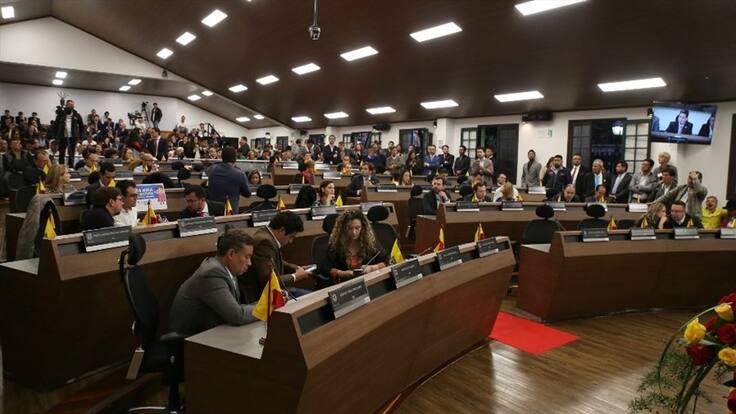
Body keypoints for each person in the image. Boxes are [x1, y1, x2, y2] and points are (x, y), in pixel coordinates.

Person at [169, 229, 259, 336]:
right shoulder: (212, 273)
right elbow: (237, 315)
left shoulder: (227, 269)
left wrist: (266, 304)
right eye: (247, 257)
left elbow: (236, 308)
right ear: (231, 254)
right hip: (192, 338)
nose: (249, 263)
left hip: (212, 332)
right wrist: (265, 309)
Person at [238, 211, 311, 304]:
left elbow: (273, 260)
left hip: (275, 292)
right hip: (261, 297)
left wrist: (296, 268)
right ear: (282, 230)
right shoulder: (265, 242)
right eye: (291, 237)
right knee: (311, 300)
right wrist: (295, 276)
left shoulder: (265, 233)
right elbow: (268, 280)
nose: (291, 241)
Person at [319, 209, 388, 285]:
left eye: (357, 228)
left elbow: (387, 261)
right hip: (344, 285)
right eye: (349, 228)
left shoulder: (370, 242)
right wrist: (342, 273)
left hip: (368, 283)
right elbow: (324, 268)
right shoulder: (336, 245)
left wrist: (372, 268)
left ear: (363, 227)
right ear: (343, 228)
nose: (354, 232)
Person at [206, 147, 251, 211]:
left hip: (212, 211)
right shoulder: (240, 174)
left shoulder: (212, 169)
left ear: (222, 157)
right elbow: (247, 194)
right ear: (235, 158)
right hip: (230, 212)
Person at [54, 99, 85, 167]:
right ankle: (61, 167)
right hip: (63, 137)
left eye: (72, 105)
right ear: (66, 105)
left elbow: (82, 127)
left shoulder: (77, 115)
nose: (70, 106)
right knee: (61, 153)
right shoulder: (61, 114)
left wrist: (81, 137)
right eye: (69, 105)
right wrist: (56, 136)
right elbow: (55, 125)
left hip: (73, 137)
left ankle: (70, 167)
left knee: (71, 153)